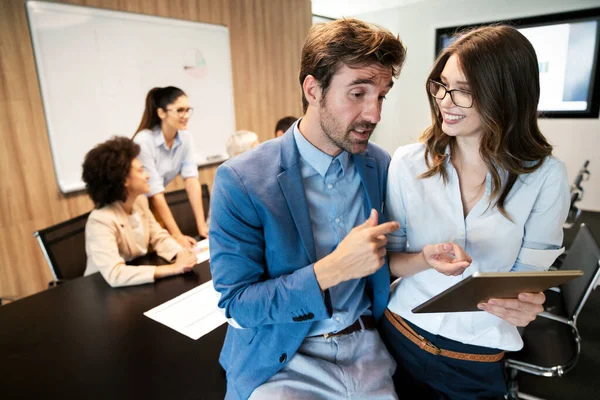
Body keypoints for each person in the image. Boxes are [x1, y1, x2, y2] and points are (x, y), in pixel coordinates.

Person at [209, 19, 406, 400]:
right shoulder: (241, 179)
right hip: (284, 358)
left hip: (366, 349)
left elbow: (384, 261)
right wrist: (331, 270)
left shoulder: (379, 165)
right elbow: (237, 304)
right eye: (358, 93)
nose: (375, 114)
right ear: (313, 89)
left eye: (381, 95)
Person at [379, 25, 570, 399]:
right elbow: (389, 262)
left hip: (476, 359)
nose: (445, 101)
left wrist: (525, 305)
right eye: (442, 86)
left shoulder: (545, 176)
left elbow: (528, 277)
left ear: (506, 95)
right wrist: (423, 259)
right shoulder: (407, 163)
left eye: (463, 91)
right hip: (399, 338)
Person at [82, 137, 197, 288]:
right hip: (101, 290)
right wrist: (172, 269)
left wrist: (180, 253)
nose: (147, 175)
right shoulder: (100, 221)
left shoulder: (140, 202)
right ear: (124, 180)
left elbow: (158, 236)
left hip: (135, 284)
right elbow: (115, 274)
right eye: (141, 170)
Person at [133, 86, 208, 248]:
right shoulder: (144, 141)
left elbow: (191, 180)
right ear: (161, 113)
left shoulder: (185, 137)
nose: (186, 116)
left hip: (153, 204)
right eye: (180, 110)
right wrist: (177, 234)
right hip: (136, 208)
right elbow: (155, 192)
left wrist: (201, 225)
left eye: (188, 110)